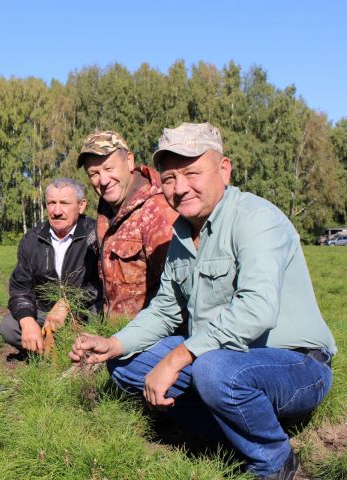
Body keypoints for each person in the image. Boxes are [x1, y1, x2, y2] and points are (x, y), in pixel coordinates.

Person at [70, 122, 337, 479]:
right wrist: (114, 343)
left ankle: (275, 461)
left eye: (192, 173)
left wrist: (176, 359)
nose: (180, 188)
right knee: (126, 365)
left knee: (215, 372)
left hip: (294, 364)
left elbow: (255, 310)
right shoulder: (182, 233)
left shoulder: (256, 218)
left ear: (223, 170)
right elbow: (165, 310)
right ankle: (231, 437)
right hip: (221, 356)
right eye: (168, 178)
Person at [77, 130, 177, 320]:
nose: (103, 180)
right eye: (94, 174)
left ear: (129, 161)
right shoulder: (107, 210)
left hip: (147, 339)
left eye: (109, 168)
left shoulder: (156, 212)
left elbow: (175, 294)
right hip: (114, 332)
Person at [0, 178, 101, 354]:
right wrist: (27, 321)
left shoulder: (96, 235)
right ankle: (53, 348)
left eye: (64, 203)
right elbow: (20, 288)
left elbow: (104, 284)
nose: (57, 211)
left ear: (81, 205)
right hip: (45, 313)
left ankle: (72, 349)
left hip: (85, 312)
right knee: (9, 326)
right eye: (51, 203)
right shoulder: (32, 239)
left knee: (105, 317)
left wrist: (69, 301)